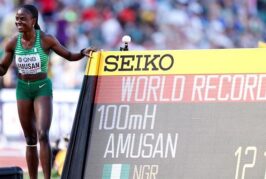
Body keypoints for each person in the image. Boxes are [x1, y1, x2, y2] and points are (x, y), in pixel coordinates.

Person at [0, 4, 96, 179]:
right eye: (17, 19)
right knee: (30, 140)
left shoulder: (46, 39)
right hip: (23, 89)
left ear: (33, 21)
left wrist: (82, 52)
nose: (18, 22)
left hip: (42, 87)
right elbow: (3, 69)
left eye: (23, 19)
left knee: (43, 134)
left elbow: (69, 55)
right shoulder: (13, 42)